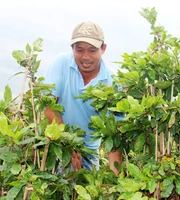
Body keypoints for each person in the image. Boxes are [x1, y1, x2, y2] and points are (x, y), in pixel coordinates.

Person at [44, 21, 122, 174]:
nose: (86, 57)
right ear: (72, 48)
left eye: (92, 50)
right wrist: (70, 147)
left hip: (89, 152)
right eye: (79, 50)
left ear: (103, 49)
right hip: (58, 142)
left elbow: (114, 134)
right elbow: (49, 108)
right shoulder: (61, 63)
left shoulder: (113, 83)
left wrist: (117, 181)